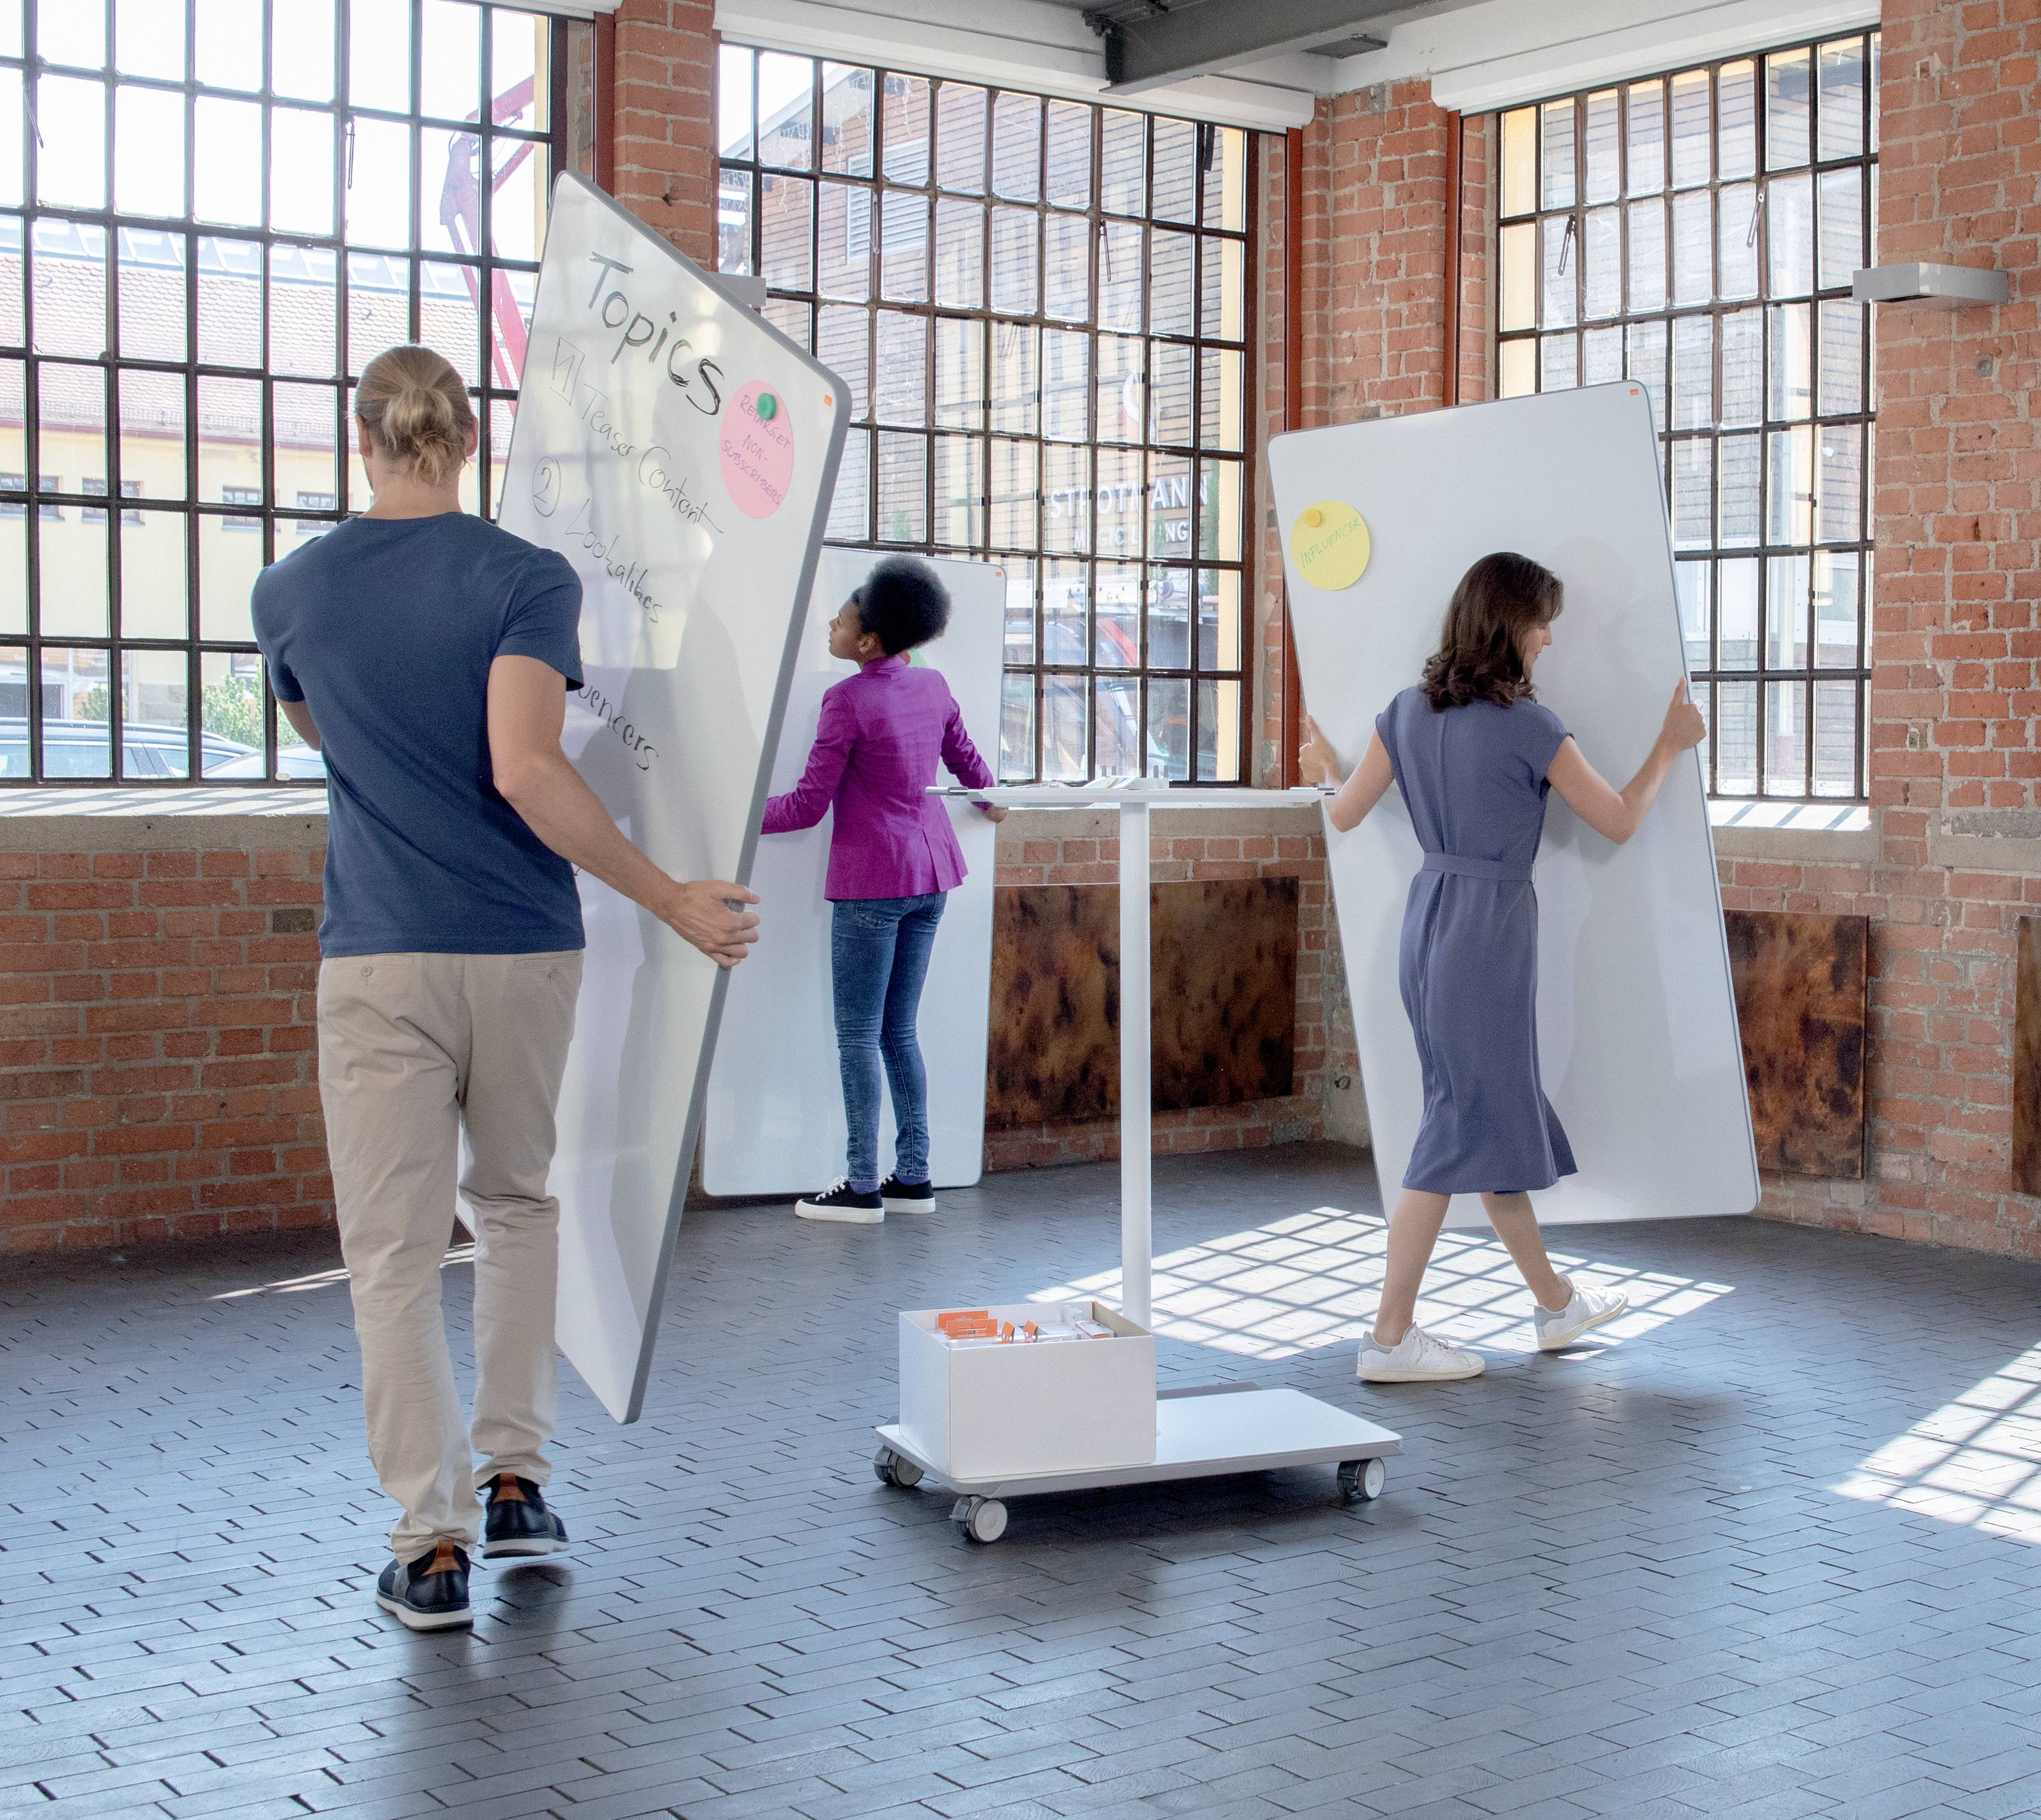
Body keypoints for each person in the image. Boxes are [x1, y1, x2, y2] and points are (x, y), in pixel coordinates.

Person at [252, 344, 760, 1633]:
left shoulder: (290, 589)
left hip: (376, 956)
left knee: (394, 1259)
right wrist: (674, 900)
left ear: (360, 438)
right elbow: (525, 769)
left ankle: (432, 1548)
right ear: (467, 442)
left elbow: (323, 729)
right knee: (517, 1208)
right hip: (524, 946)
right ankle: (519, 1481)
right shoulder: (522, 577)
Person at [1297, 550, 1706, 1385]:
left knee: (1480, 1112)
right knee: (1458, 1122)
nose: (1551, 637)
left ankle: (1555, 1302)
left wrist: (1325, 773)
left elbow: (1343, 814)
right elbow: (1621, 820)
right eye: (1542, 621)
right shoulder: (1530, 726)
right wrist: (1670, 744)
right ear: (1508, 625)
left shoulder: (1404, 713)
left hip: (1428, 922)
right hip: (1489, 934)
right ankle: (1388, 1334)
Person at [761, 557, 1004, 1224]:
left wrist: (739, 814)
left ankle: (863, 1183)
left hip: (873, 883)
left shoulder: (847, 700)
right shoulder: (931, 684)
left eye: (843, 617)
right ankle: (915, 1174)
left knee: (859, 1034)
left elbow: (809, 805)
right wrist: (989, 800)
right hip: (931, 875)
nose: (833, 623)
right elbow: (967, 760)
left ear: (867, 642)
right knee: (899, 1029)